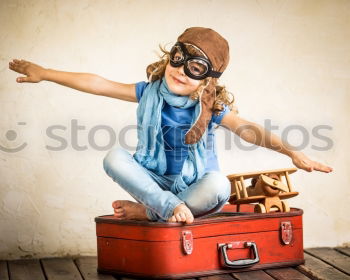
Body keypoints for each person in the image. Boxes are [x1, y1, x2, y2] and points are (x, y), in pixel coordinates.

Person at [9, 27, 332, 225]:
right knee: (114, 157)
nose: (180, 71)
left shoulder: (211, 108)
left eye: (195, 68)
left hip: (193, 185)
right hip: (153, 177)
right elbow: (99, 83)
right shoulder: (148, 92)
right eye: (178, 58)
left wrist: (292, 153)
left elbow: (249, 128)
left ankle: (148, 211)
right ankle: (164, 205)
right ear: (170, 56)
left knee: (219, 185)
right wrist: (47, 73)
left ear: (208, 79)